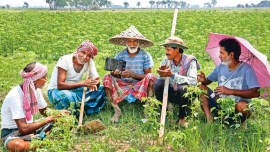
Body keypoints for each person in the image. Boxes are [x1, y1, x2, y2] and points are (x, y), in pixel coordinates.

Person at [1, 62, 68, 152]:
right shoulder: (15, 96)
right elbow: (23, 129)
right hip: (13, 132)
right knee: (18, 146)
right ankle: (46, 140)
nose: (46, 80)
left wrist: (58, 113)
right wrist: (48, 119)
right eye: (44, 77)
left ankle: (38, 140)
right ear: (35, 79)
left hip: (31, 127)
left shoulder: (35, 90)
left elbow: (44, 111)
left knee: (65, 122)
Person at [197, 38, 260, 128]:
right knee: (201, 87)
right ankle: (209, 119)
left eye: (222, 53)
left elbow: (256, 92)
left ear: (231, 55)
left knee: (243, 106)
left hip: (236, 107)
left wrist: (231, 91)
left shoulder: (247, 69)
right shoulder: (220, 67)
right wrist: (204, 80)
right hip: (220, 103)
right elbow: (208, 81)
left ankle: (240, 121)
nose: (219, 56)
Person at [103, 26, 156, 123]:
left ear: (139, 42)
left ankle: (147, 110)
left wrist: (132, 75)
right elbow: (114, 73)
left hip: (139, 84)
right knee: (107, 78)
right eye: (130, 41)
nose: (132, 44)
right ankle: (117, 110)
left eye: (135, 41)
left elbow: (148, 75)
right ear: (125, 42)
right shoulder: (120, 55)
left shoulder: (145, 55)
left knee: (151, 77)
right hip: (123, 84)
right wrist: (116, 73)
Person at [47, 40, 106, 116]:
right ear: (77, 50)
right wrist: (82, 83)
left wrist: (95, 82)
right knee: (67, 97)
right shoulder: (65, 60)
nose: (85, 57)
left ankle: (80, 106)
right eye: (83, 53)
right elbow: (60, 85)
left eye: (88, 55)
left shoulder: (88, 62)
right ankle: (76, 107)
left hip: (73, 90)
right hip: (56, 90)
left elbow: (96, 81)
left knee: (101, 90)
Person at [154, 36, 200, 127]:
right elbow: (162, 79)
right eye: (166, 49)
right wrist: (162, 75)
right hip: (172, 92)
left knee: (182, 87)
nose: (166, 52)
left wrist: (173, 75)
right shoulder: (165, 61)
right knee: (158, 83)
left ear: (177, 49)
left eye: (168, 50)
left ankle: (182, 117)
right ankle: (164, 111)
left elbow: (193, 81)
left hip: (187, 94)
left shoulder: (190, 61)